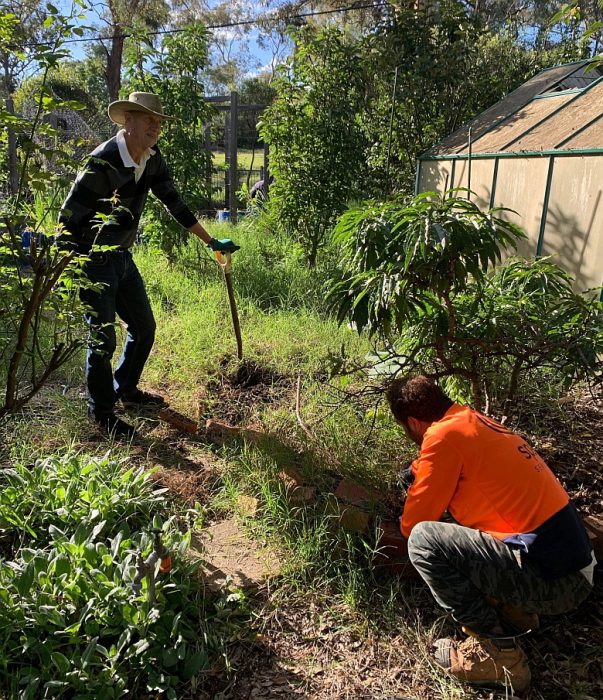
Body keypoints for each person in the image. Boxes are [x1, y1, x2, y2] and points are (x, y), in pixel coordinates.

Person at [386, 375, 595, 693]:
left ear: (413, 422)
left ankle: (500, 656)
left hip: (559, 583)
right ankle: (515, 613)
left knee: (424, 541)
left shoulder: (441, 437)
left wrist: (419, 486)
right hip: (574, 566)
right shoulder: (471, 421)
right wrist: (422, 471)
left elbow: (412, 524)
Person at [59, 92, 239, 438]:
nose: (155, 126)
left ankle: (125, 389)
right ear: (127, 120)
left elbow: (174, 203)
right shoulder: (104, 162)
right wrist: (69, 270)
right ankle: (102, 412)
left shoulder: (152, 159)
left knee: (144, 326)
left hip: (122, 258)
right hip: (92, 261)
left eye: (158, 121)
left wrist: (212, 241)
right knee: (102, 339)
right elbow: (67, 218)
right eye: (147, 119)